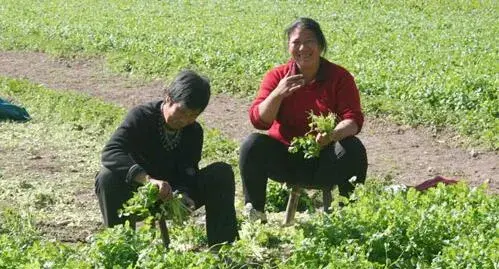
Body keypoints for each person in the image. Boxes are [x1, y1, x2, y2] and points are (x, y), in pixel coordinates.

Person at [240, 17, 368, 221]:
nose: (303, 48)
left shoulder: (339, 77)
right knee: (252, 144)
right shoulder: (277, 76)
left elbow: (353, 119)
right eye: (296, 42)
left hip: (326, 160)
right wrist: (278, 94)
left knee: (352, 147)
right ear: (289, 46)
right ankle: (256, 216)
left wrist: (333, 134)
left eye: (309, 41)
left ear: (320, 45)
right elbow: (259, 120)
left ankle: (349, 216)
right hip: (286, 159)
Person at [95, 70, 238, 246]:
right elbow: (111, 151)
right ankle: (121, 246)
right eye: (182, 111)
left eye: (193, 115)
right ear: (168, 98)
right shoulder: (141, 117)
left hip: (172, 195)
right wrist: (148, 180)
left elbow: (189, 167)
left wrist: (184, 192)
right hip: (138, 193)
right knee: (107, 177)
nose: (185, 120)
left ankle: (223, 249)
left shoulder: (193, 132)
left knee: (221, 173)